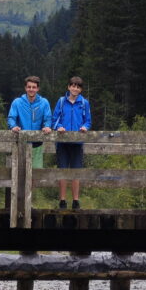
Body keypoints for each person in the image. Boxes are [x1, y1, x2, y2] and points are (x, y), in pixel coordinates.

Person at [51, 76, 91, 209]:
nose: (75, 88)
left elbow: (88, 121)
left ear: (81, 89)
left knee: (76, 172)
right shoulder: (61, 101)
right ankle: (62, 200)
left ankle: (75, 201)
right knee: (62, 171)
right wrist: (59, 127)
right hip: (62, 142)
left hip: (78, 143)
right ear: (68, 87)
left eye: (78, 86)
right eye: (73, 86)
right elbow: (55, 119)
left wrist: (85, 127)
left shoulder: (84, 103)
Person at [7, 75, 52, 168]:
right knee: (19, 172)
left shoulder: (44, 102)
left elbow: (48, 118)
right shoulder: (17, 102)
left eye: (34, 87)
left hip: (37, 143)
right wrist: (13, 126)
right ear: (25, 88)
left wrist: (47, 126)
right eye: (29, 87)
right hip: (20, 143)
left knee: (36, 172)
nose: (31, 89)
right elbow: (11, 117)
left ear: (38, 89)